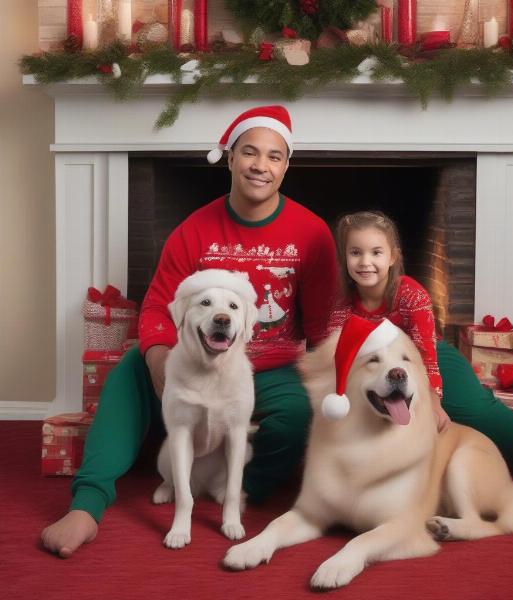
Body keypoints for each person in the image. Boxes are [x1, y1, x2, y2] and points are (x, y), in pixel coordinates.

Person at [41, 105, 339, 558]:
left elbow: (321, 323)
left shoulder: (311, 231)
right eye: (250, 153)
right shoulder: (194, 229)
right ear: (231, 156)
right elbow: (159, 305)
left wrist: (336, 377)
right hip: (193, 361)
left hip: (269, 367)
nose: (261, 165)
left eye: (275, 156)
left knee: (298, 418)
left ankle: (235, 490)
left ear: (286, 166)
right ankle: (88, 503)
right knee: (130, 366)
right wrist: (158, 354)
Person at [329, 210, 513, 487]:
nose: (366, 262)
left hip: (429, 356)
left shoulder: (411, 293)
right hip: (379, 366)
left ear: (392, 257)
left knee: (473, 410)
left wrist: (435, 400)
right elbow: (339, 355)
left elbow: (426, 353)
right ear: (345, 258)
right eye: (355, 253)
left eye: (376, 253)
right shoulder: (342, 306)